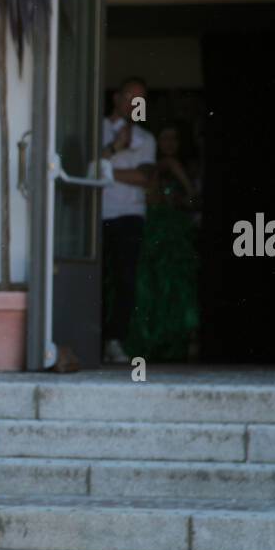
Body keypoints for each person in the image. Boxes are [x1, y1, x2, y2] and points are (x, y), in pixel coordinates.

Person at [129, 122, 200, 362]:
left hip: (170, 229)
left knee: (170, 284)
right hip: (155, 226)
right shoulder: (154, 165)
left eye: (174, 139)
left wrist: (176, 199)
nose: (169, 144)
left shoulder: (172, 165)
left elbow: (192, 198)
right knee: (155, 283)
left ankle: (170, 342)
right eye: (165, 138)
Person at [99, 76, 156, 364]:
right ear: (117, 99)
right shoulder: (96, 129)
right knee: (96, 279)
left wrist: (106, 172)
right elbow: (86, 167)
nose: (135, 104)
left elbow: (144, 177)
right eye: (131, 97)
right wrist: (114, 150)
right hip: (98, 215)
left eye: (140, 99)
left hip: (130, 216)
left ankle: (114, 339)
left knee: (125, 280)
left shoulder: (146, 139)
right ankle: (91, 339)